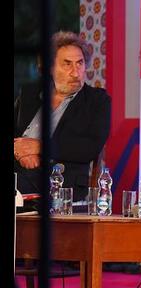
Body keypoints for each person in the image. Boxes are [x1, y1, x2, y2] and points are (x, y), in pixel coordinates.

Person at [14, 31, 111, 203]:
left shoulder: (97, 101)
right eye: (67, 64)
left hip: (59, 181)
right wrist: (22, 154)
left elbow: (89, 147)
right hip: (19, 171)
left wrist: (39, 147)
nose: (75, 72)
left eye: (80, 63)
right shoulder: (30, 94)